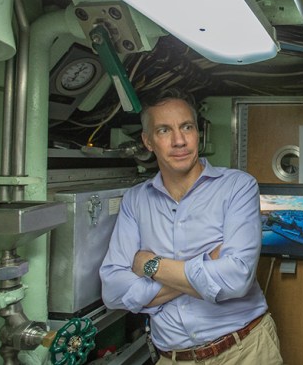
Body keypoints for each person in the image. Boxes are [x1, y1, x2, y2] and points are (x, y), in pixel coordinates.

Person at [100, 88, 282, 364]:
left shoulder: (237, 186)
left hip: (245, 350)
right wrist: (206, 263)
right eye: (164, 131)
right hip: (173, 358)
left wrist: (151, 266)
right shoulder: (135, 200)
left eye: (187, 127)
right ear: (148, 142)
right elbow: (113, 290)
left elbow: (236, 280)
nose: (179, 140)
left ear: (198, 133)